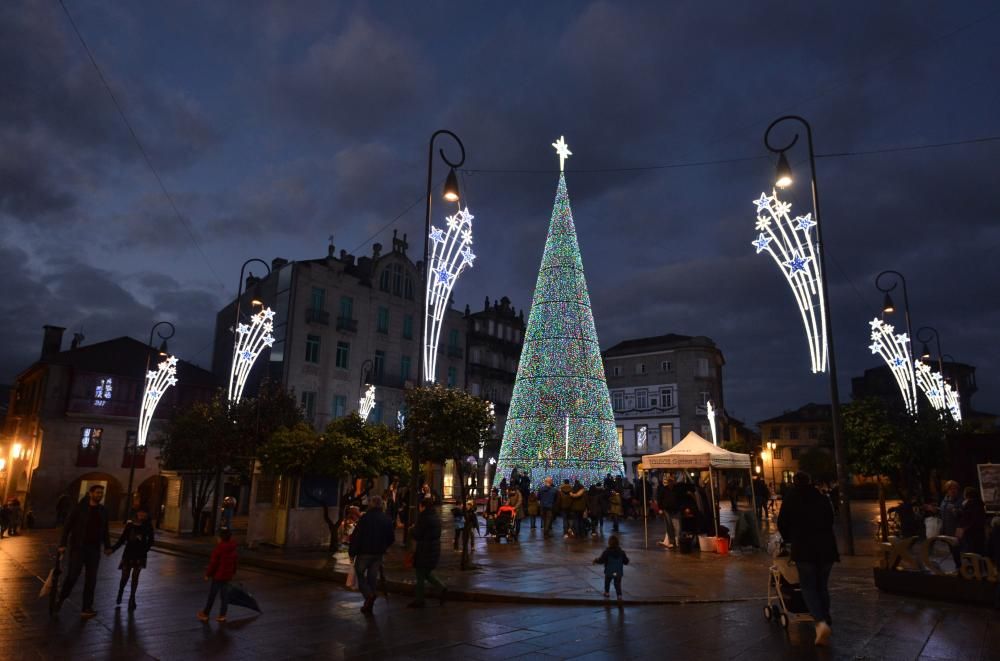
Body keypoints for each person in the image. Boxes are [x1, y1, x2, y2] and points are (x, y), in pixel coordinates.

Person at [778, 472, 839, 647]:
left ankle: (820, 622)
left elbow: (782, 522)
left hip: (805, 549)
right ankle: (826, 619)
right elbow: (831, 519)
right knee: (822, 586)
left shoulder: (791, 498)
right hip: (827, 548)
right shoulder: (821, 496)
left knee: (808, 587)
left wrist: (790, 538)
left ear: (795, 483)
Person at [56, 485, 112, 618]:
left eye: (101, 493)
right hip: (78, 548)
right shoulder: (79, 508)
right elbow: (67, 527)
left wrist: (108, 546)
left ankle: (86, 608)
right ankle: (60, 600)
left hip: (94, 550)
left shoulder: (103, 510)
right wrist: (62, 544)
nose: (100, 495)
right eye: (97, 493)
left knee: (91, 580)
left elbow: (105, 530)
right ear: (90, 493)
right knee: (72, 576)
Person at [348, 495, 395, 615]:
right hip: (378, 553)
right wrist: (384, 546)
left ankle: (369, 596)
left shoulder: (365, 518)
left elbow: (356, 536)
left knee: (360, 572)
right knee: (372, 577)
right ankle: (369, 603)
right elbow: (391, 537)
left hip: (365, 551)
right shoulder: (386, 519)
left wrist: (352, 552)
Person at [109, 508, 155, 611]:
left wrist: (145, 549)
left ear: (147, 515)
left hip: (140, 554)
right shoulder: (130, 525)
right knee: (125, 575)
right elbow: (122, 539)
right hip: (129, 553)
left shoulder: (148, 526)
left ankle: (132, 598)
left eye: (144, 513)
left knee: (135, 577)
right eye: (140, 512)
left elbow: (151, 540)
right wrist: (113, 549)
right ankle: (120, 591)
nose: (142, 515)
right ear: (137, 514)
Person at [408, 497, 446, 608]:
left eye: (420, 506)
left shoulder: (424, 518)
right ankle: (441, 588)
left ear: (423, 506)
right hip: (433, 548)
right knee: (426, 573)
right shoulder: (435, 517)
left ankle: (420, 599)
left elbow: (418, 534)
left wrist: (412, 529)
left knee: (420, 574)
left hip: (424, 549)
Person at [198, 528, 238, 622]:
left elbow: (213, 563)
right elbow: (235, 562)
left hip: (218, 576)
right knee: (224, 596)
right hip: (227, 576)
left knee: (212, 595)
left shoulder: (219, 549)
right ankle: (222, 615)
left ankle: (205, 614)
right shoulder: (233, 549)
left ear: (220, 538)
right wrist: (233, 572)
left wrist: (208, 574)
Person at [593, 535, 629, 603]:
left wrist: (595, 560)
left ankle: (607, 592)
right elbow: (626, 561)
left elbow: (601, 560)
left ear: (609, 543)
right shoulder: (621, 552)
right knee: (617, 583)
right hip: (618, 572)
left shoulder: (607, 552)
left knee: (607, 581)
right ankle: (619, 595)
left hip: (609, 571)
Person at [957, 486, 986, 557]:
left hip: (970, 533)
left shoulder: (969, 505)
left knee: (971, 552)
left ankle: (973, 566)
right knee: (980, 551)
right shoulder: (980, 503)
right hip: (980, 531)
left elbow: (966, 518)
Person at [657, 474, 679, 549]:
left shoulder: (677, 489)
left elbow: (680, 499)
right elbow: (659, 499)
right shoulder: (664, 489)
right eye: (669, 481)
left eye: (672, 481)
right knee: (669, 527)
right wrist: (660, 508)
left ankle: (677, 542)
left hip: (676, 510)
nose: (670, 483)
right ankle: (672, 542)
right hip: (666, 510)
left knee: (677, 527)